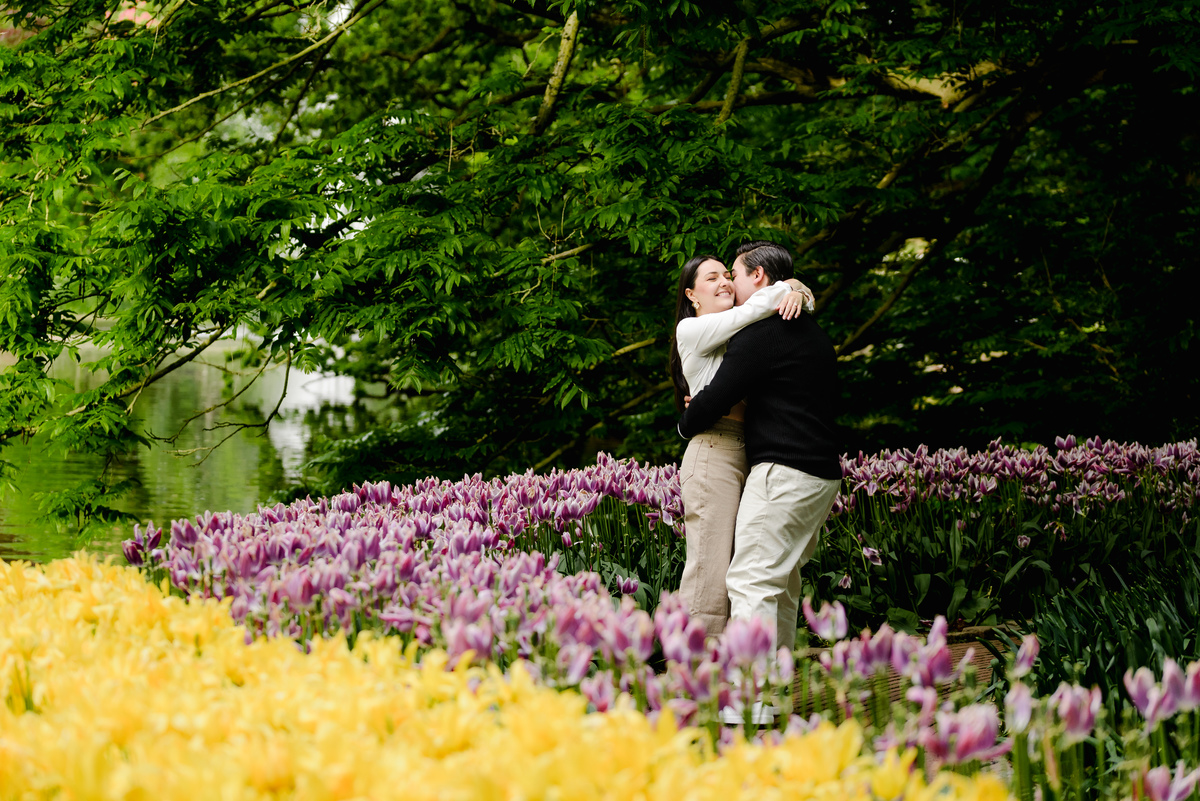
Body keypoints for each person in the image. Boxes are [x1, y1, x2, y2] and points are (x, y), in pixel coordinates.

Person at [676, 241, 842, 660]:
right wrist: (793, 290)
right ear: (690, 294)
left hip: (774, 464)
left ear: (759, 277)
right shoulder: (801, 331)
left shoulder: (761, 333)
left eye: (730, 273)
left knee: (753, 581)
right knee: (743, 577)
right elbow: (719, 392)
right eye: (713, 277)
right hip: (729, 453)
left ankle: (750, 700)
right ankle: (714, 676)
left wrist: (795, 289)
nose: (727, 281)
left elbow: (718, 393)